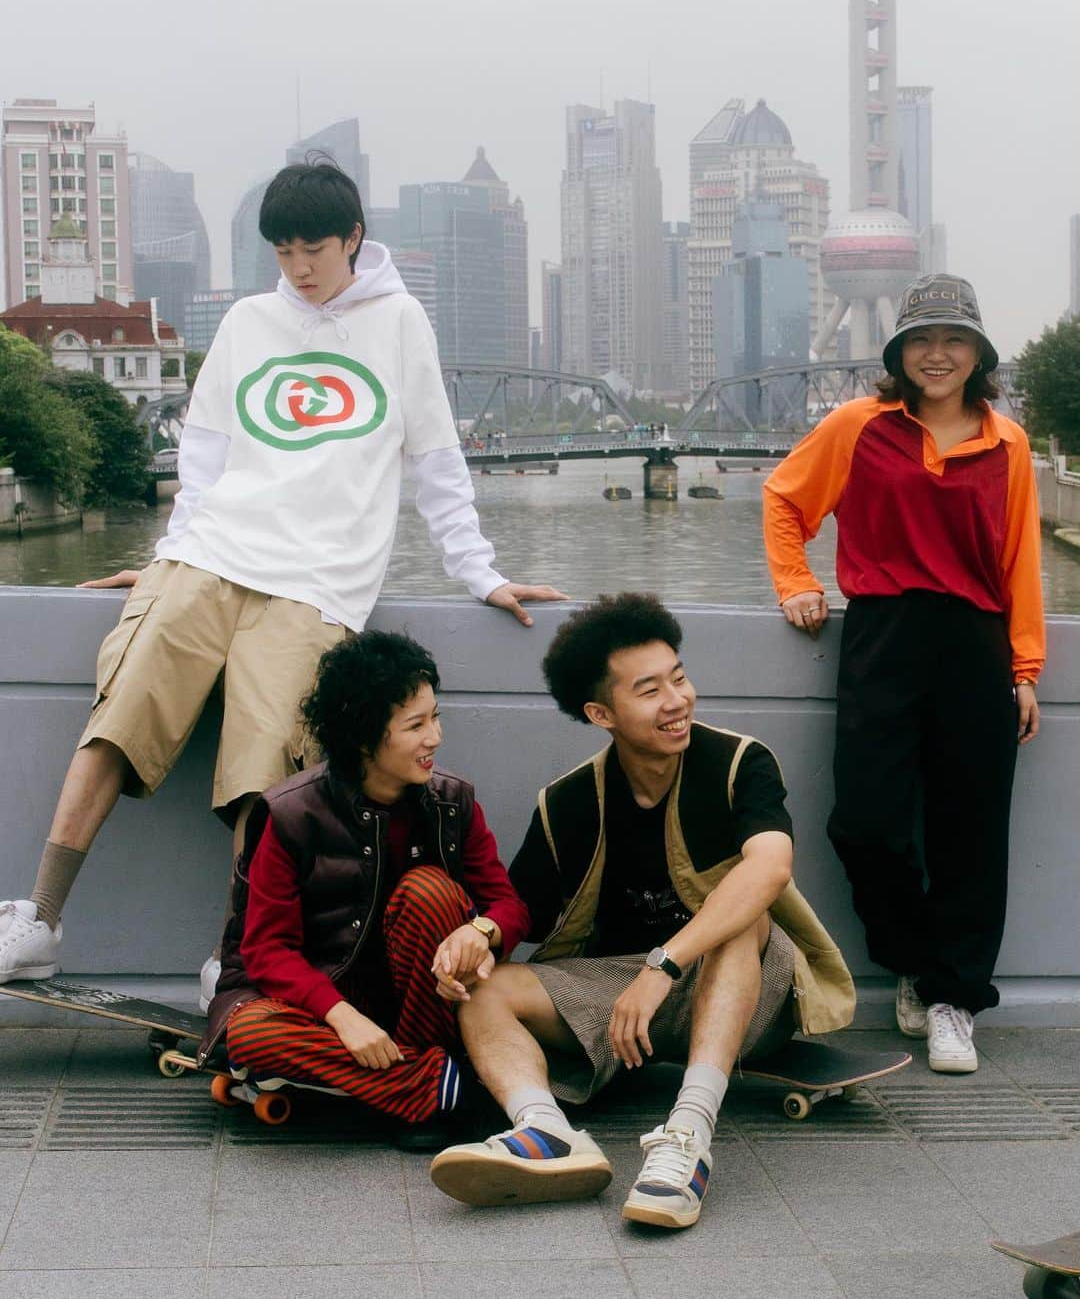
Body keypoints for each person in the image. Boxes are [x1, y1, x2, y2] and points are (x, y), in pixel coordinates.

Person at [0, 158, 562, 1001]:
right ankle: (39, 919)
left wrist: (477, 571)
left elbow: (437, 461)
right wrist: (168, 552)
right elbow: (206, 454)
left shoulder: (402, 323)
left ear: (354, 242)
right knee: (121, 711)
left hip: (319, 580)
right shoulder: (250, 319)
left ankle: (233, 959)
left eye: (314, 250)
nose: (298, 269)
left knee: (265, 773)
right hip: (213, 553)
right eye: (283, 252)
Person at [430, 593, 854, 1229]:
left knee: (741, 913)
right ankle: (546, 1132)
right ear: (602, 712)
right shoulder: (568, 803)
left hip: (746, 985)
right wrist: (480, 934)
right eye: (650, 690)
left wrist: (662, 968)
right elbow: (519, 907)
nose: (677, 700)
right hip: (620, 993)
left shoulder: (739, 763)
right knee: (486, 989)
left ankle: (688, 1137)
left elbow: (770, 867)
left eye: (679, 677)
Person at [762, 273, 1044, 1075]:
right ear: (897, 353)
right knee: (865, 824)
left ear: (979, 353)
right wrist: (797, 584)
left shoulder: (1008, 442)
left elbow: (1022, 558)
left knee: (972, 832)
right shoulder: (859, 426)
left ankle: (956, 998)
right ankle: (920, 964)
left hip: (976, 644)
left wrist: (1024, 666)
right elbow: (786, 501)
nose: (937, 354)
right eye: (921, 340)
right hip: (883, 637)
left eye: (954, 340)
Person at [198, 630, 530, 1138]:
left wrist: (482, 930)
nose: (434, 738)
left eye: (435, 717)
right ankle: (434, 1088)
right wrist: (342, 1017)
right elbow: (265, 951)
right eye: (415, 725)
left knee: (430, 891)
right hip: (316, 1002)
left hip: (419, 1005)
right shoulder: (291, 814)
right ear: (363, 736)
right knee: (247, 1032)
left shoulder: (452, 802)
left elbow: (508, 904)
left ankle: (401, 1085)